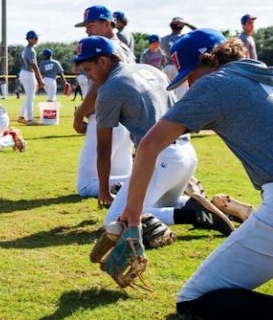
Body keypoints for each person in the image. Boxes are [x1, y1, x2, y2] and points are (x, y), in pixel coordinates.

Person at [119, 30, 273, 320]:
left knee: (195, 299)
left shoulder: (215, 84)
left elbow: (150, 145)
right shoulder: (258, 74)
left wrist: (134, 218)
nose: (189, 86)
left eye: (190, 77)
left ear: (208, 61)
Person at [74, 35, 233, 238]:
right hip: (186, 154)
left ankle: (193, 214)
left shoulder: (109, 89)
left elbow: (103, 148)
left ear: (104, 61)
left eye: (88, 69)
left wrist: (104, 191)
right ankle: (219, 207)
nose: (88, 76)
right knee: (164, 203)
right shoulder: (149, 69)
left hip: (159, 159)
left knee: (114, 220)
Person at [72, 5, 134, 199]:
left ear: (108, 23)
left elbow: (100, 86)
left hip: (107, 116)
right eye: (86, 25)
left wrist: (79, 113)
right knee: (120, 178)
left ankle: (153, 178)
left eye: (91, 24)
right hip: (125, 117)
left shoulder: (109, 48)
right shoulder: (122, 45)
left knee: (86, 186)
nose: (87, 29)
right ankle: (154, 180)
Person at [160, 17, 197, 101]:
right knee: (181, 95)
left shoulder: (163, 39)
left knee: (167, 95)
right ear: (182, 26)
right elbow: (199, 32)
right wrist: (187, 24)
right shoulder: (185, 37)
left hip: (167, 68)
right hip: (180, 68)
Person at [17, 31, 43, 125]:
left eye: (37, 38)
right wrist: (40, 79)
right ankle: (30, 119)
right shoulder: (31, 50)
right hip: (28, 73)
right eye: (35, 38)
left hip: (24, 72)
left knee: (29, 96)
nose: (37, 39)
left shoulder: (25, 49)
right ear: (30, 39)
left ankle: (22, 116)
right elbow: (34, 65)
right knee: (30, 97)